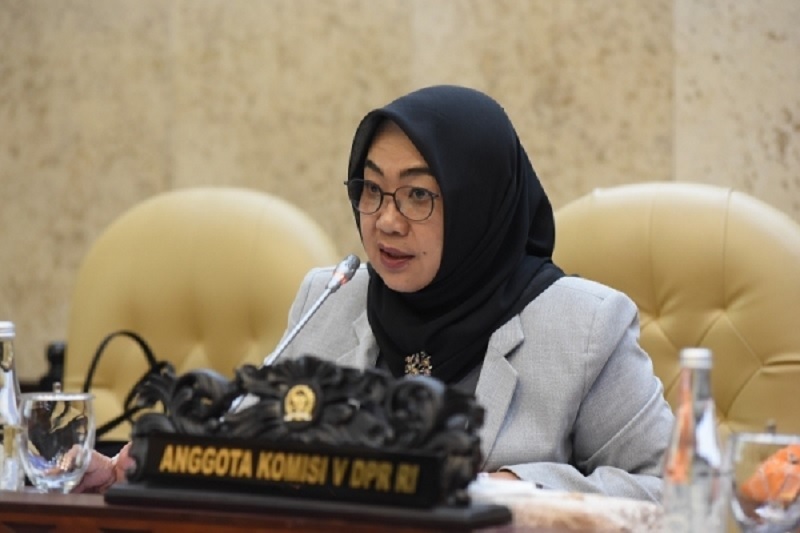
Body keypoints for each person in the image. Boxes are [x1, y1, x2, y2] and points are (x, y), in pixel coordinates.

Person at [74, 85, 674, 501]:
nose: (386, 221)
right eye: (371, 189)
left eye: (418, 195)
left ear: (478, 205)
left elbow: (673, 492)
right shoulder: (331, 298)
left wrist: (514, 492)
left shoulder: (583, 326)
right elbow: (253, 451)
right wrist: (152, 464)